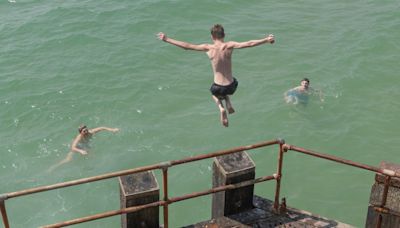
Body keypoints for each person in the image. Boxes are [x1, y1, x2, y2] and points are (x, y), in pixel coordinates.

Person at [158, 24, 275, 127]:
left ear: (212, 37)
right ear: (224, 35)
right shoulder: (229, 45)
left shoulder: (208, 48)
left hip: (217, 87)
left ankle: (221, 108)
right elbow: (249, 43)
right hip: (231, 86)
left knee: (214, 93)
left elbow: (187, 46)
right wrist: (266, 40)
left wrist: (167, 39)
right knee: (231, 85)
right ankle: (228, 102)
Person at [48, 125, 119, 172]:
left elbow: (102, 128)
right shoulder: (79, 137)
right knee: (68, 160)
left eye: (86, 130)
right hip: (78, 147)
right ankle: (53, 167)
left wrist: (112, 129)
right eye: (84, 131)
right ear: (81, 133)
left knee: (91, 154)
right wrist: (80, 151)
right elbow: (73, 147)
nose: (86, 131)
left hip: (84, 145)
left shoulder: (90, 132)